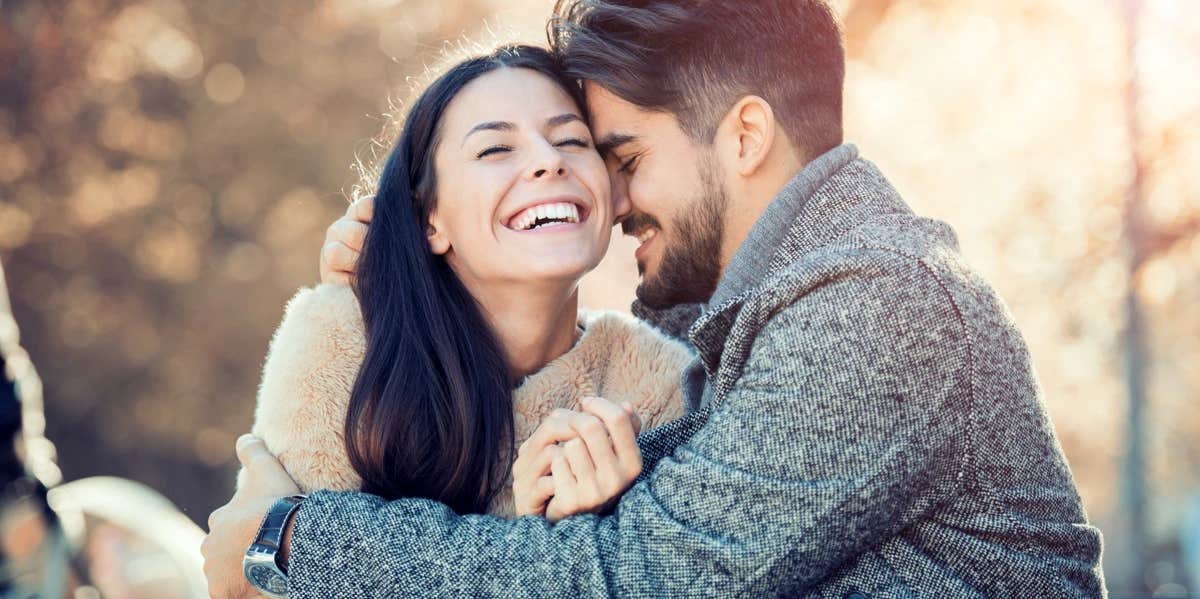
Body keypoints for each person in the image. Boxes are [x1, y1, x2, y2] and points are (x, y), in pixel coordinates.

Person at [204, 0, 1107, 596]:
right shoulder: (778, 323)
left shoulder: (877, 308)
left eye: (621, 157)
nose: (615, 194)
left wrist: (294, 541)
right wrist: (404, 289)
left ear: (745, 134)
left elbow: (637, 575)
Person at [242, 44, 693, 520]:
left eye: (573, 141)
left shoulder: (659, 386)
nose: (549, 161)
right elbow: (264, 579)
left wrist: (585, 532)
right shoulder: (342, 344)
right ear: (430, 220)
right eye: (495, 148)